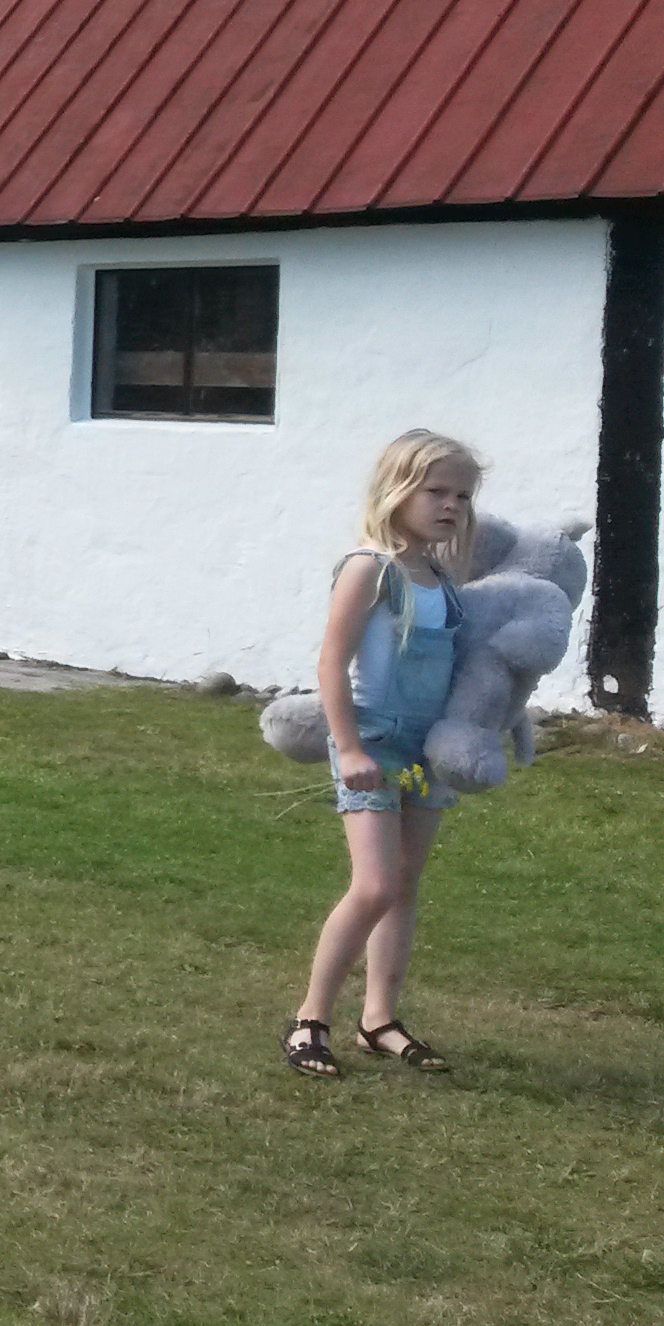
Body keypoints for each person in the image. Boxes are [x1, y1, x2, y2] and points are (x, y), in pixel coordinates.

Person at [285, 429, 479, 1078]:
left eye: (462, 495)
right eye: (436, 491)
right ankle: (311, 1019)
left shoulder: (443, 579)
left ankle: (379, 1020)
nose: (450, 505)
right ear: (398, 489)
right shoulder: (370, 568)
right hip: (373, 744)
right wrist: (348, 746)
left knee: (401, 885)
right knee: (371, 884)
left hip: (426, 751)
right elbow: (331, 664)